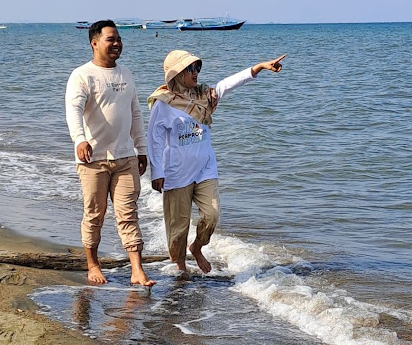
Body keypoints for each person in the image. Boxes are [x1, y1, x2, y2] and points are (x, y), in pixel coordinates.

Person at [147, 49, 286, 277]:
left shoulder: (206, 96)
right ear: (176, 74)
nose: (195, 73)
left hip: (205, 169)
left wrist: (259, 67)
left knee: (212, 215)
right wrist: (156, 173)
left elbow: (229, 84)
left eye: (197, 68)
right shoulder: (164, 104)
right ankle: (180, 268)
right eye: (190, 69)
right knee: (177, 228)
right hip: (176, 172)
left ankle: (198, 247)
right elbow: (154, 140)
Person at [65, 20, 156, 286]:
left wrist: (141, 149)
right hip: (93, 159)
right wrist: (80, 140)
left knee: (129, 214)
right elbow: (74, 111)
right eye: (110, 39)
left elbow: (135, 114)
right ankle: (92, 265)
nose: (116, 44)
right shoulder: (82, 75)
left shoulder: (126, 74)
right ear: (94, 43)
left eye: (118, 39)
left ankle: (137, 270)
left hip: (125, 157)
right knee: (95, 213)